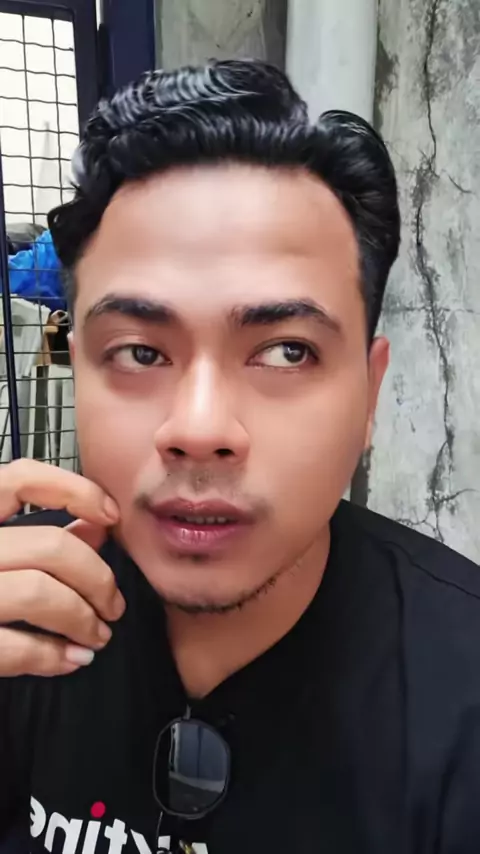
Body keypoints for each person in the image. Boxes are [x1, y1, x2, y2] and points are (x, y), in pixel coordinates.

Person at [0, 59, 479, 854]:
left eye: (286, 351)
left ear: (369, 393)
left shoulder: (460, 696)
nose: (199, 428)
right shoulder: (17, 616)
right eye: (140, 352)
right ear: (77, 369)